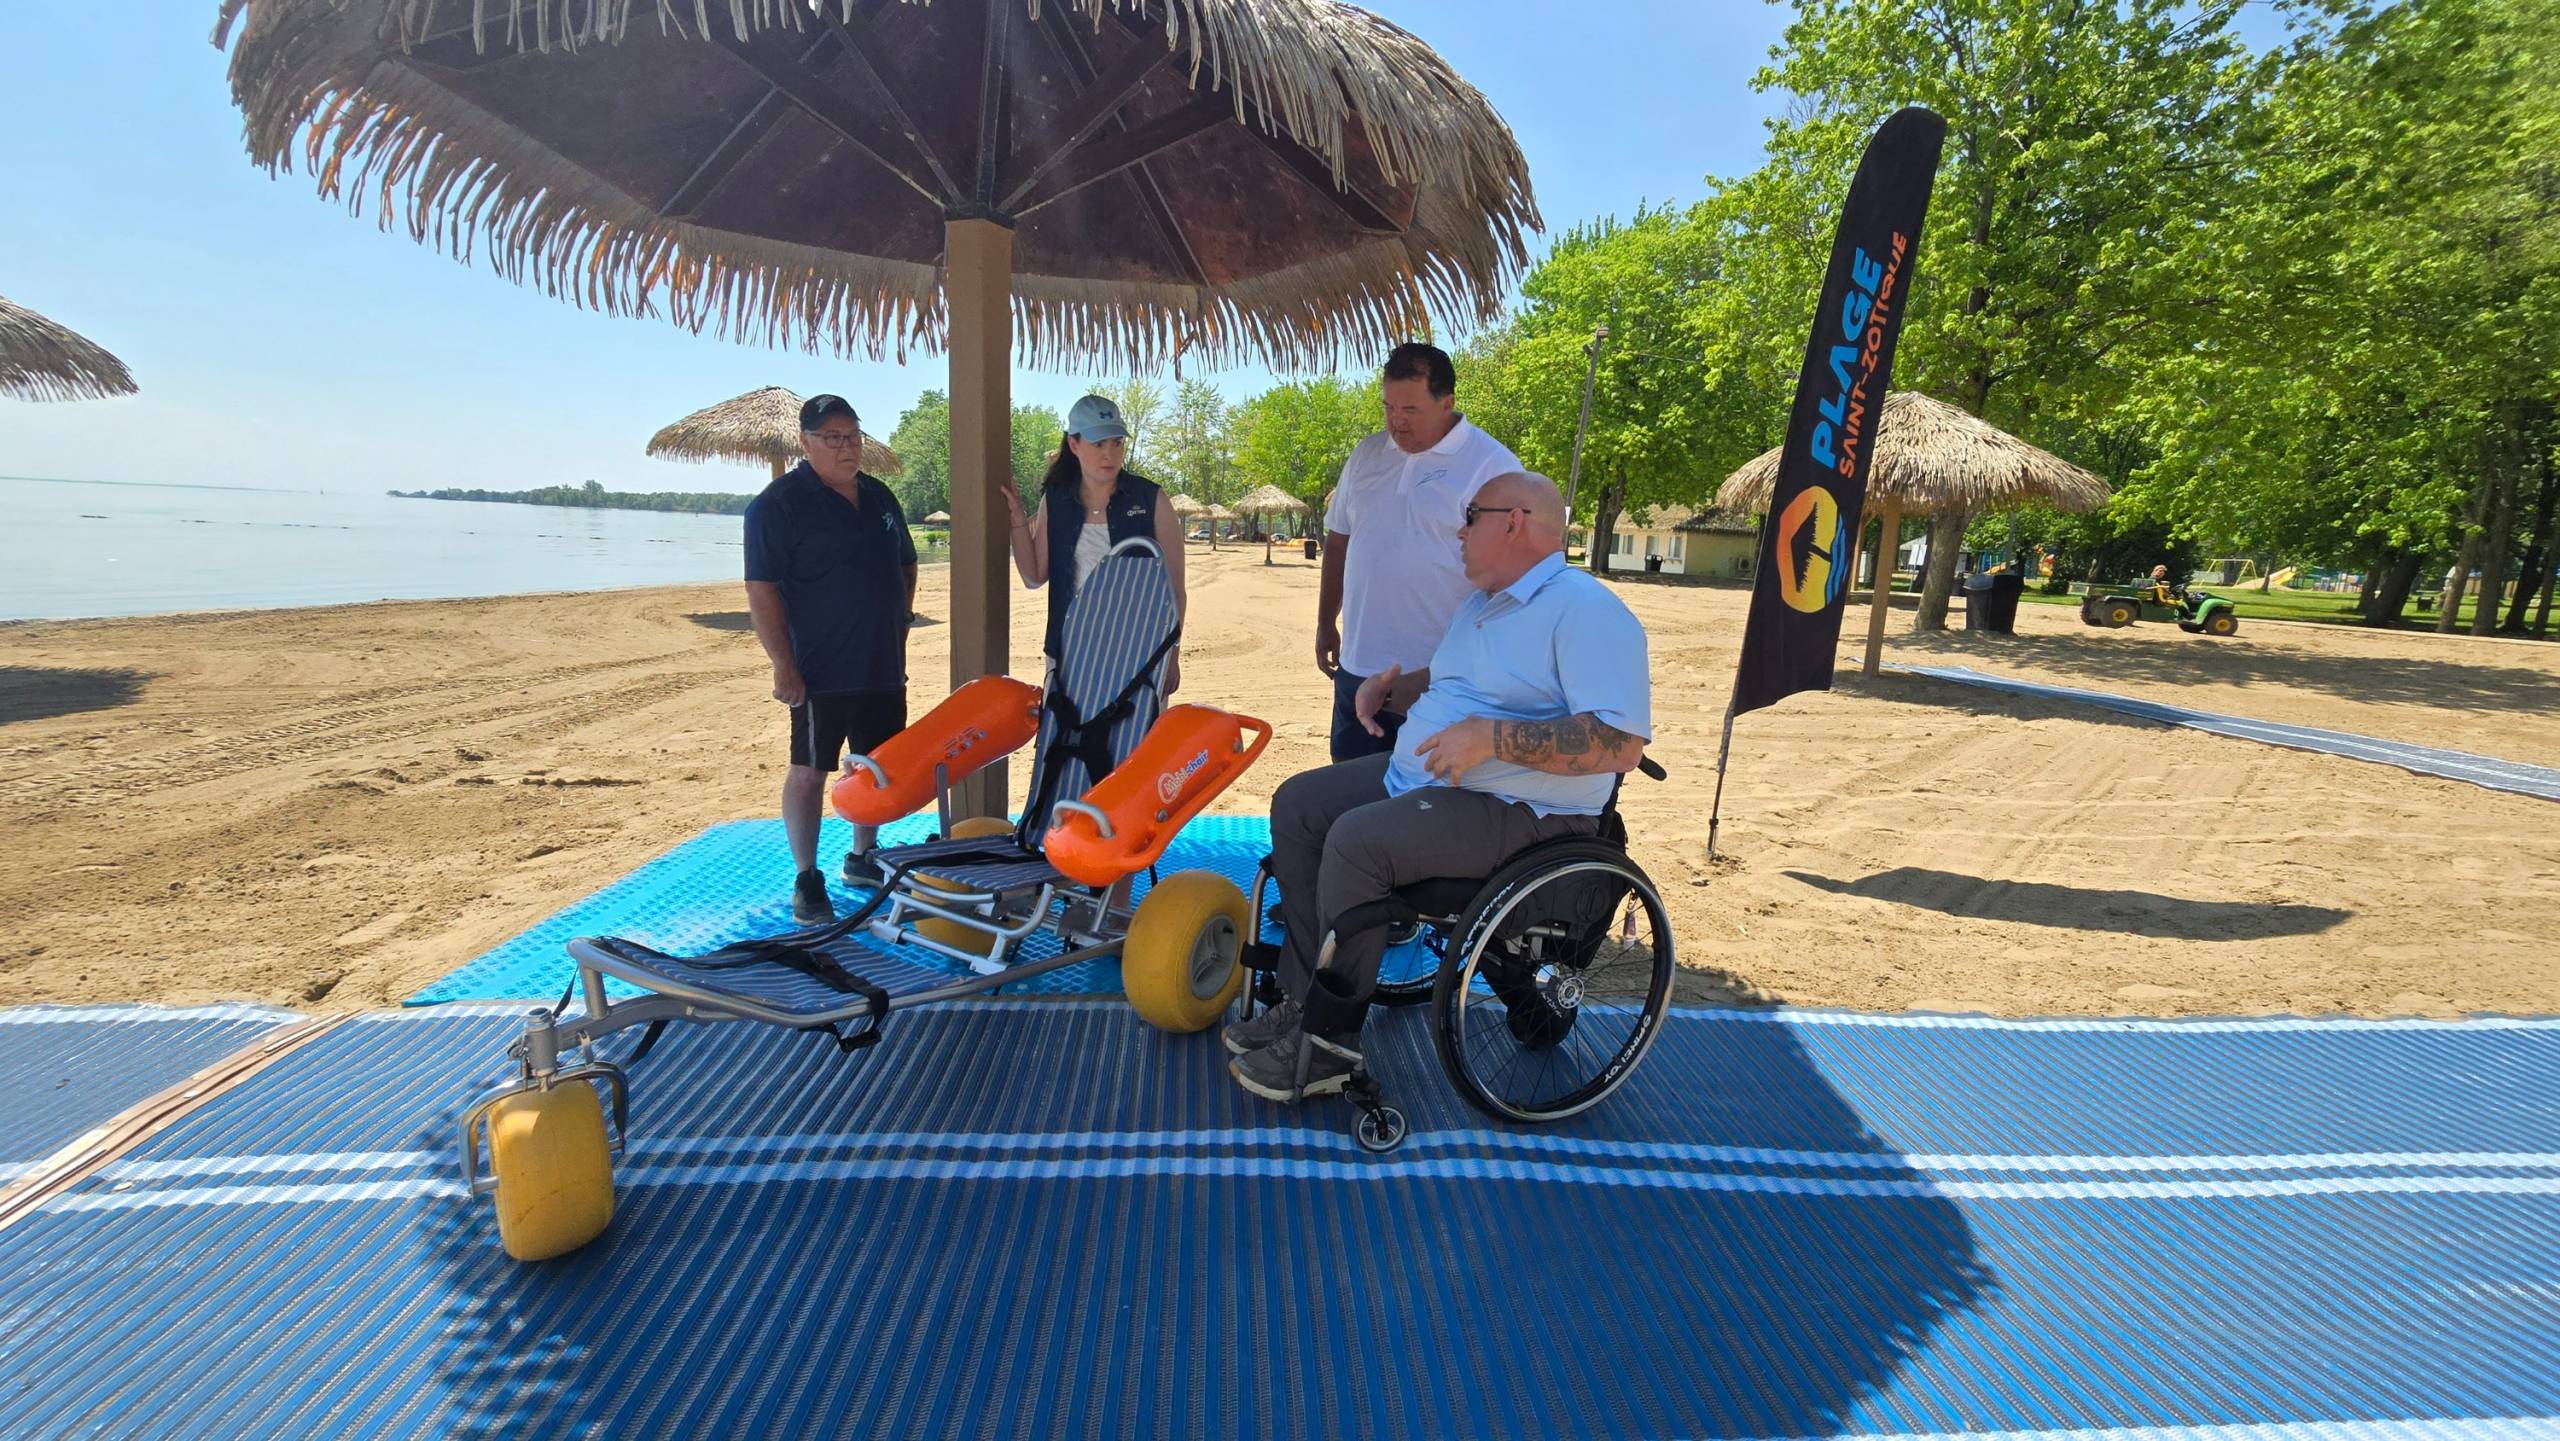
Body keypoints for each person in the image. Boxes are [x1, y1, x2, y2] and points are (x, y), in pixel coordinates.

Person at [1228, 472, 1652, 1101]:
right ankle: (1301, 999)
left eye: (1470, 516)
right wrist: (1396, 688)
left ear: (1514, 521)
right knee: (1298, 804)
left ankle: (1327, 1044)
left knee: (1356, 841)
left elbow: (1620, 744)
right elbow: (1464, 682)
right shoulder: (1483, 603)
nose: (1459, 530)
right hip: (1429, 777)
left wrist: (1495, 740)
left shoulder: (1586, 611)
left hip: (1523, 810)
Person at [743, 395, 918, 924]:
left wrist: (902, 618)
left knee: (878, 766)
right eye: (834, 438)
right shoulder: (777, 505)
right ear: (806, 442)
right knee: (809, 770)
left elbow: (907, 562)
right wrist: (783, 665)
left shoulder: (881, 497)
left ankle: (863, 857)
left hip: (882, 665)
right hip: (819, 671)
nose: (847, 448)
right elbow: (761, 589)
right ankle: (806, 876)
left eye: (853, 437)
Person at [1316, 342, 1522, 763]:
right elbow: (1338, 543)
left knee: (1421, 811)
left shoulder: (1492, 466)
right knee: (1345, 804)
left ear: (1447, 402)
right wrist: (1324, 623)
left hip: (1438, 679)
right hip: (1357, 668)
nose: (1397, 422)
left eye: (1410, 410)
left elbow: (1511, 580)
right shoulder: (1366, 454)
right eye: (1388, 407)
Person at [1003, 393, 1187, 695]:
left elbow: (1174, 590)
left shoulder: (1151, 499)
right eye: (1098, 444)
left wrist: (1172, 654)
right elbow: (1034, 576)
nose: (1109, 454)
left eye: (1116, 442)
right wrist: (1017, 516)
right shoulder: (1057, 500)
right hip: (1068, 659)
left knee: (1135, 744)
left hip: (1139, 658)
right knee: (1068, 742)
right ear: (1074, 445)